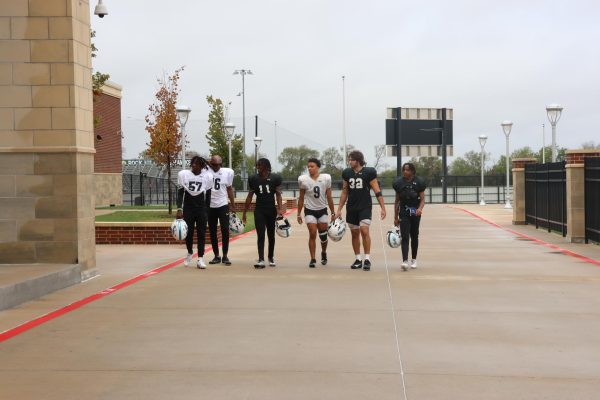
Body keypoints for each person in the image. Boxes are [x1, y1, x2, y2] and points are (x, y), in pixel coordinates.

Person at [334, 150, 386, 271]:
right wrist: (339, 209)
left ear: (358, 160)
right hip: (351, 207)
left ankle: (367, 258)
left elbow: (377, 190)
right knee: (354, 233)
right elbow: (344, 192)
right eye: (349, 159)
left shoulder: (369, 172)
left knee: (364, 230)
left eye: (351, 159)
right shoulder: (347, 173)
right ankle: (358, 259)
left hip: (365, 206)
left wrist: (383, 208)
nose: (349, 161)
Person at [242, 158, 283, 268]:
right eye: (257, 165)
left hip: (271, 210)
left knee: (271, 235)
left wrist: (280, 210)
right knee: (260, 234)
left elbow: (278, 195)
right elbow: (250, 196)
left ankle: (271, 257)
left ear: (266, 166)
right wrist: (245, 212)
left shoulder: (275, 178)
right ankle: (261, 259)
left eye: (259, 165)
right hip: (259, 210)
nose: (257, 167)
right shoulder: (253, 178)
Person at [297, 158, 335, 268]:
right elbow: (301, 198)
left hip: (322, 209)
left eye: (312, 166)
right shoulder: (303, 180)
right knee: (312, 233)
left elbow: (329, 197)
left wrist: (333, 213)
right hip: (309, 210)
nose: (309, 168)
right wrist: (299, 213)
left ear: (318, 167)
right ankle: (313, 259)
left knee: (323, 236)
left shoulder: (326, 178)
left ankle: (323, 253)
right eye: (308, 166)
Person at [177, 156, 213, 269]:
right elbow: (180, 193)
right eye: (192, 163)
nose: (193, 165)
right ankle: (189, 252)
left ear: (201, 166)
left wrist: (207, 210)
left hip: (201, 208)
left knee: (201, 234)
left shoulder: (207, 176)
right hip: (188, 208)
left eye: (196, 164)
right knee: (189, 233)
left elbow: (209, 195)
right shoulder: (184, 175)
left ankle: (200, 258)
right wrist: (179, 208)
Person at [393, 162, 426, 271]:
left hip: (415, 212)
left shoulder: (419, 182)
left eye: (407, 170)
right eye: (404, 170)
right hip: (404, 211)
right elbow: (397, 201)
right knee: (405, 236)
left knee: (414, 235)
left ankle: (414, 259)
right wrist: (395, 217)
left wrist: (420, 209)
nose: (405, 172)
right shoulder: (398, 183)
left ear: (412, 171)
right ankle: (405, 261)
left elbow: (422, 200)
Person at [207, 155, 236, 266]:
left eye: (218, 164)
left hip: (223, 205)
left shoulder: (227, 172)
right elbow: (201, 161)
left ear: (221, 164)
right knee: (212, 231)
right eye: (214, 164)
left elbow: (229, 189)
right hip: (210, 205)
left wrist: (232, 205)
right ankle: (216, 256)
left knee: (224, 230)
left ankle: (225, 256)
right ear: (211, 163)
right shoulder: (207, 171)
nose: (216, 166)